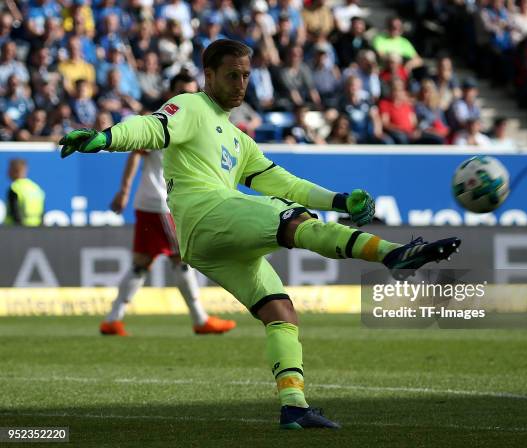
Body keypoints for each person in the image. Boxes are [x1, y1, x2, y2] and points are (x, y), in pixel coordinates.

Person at [59, 39, 460, 429]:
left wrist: (339, 200)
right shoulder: (192, 106)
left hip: (210, 242)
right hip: (207, 213)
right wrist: (105, 138)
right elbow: (151, 128)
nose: (241, 84)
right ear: (209, 75)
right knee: (294, 222)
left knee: (281, 312)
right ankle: (393, 254)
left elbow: (285, 182)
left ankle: (294, 408)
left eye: (246, 76)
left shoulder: (238, 139)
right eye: (232, 75)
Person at [100, 75, 236, 337]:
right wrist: (124, 190)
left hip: (155, 203)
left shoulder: (197, 120)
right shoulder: (160, 121)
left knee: (142, 262)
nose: (188, 96)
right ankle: (200, 319)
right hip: (161, 202)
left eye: (192, 92)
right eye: (182, 91)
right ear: (170, 93)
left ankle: (112, 319)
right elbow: (136, 154)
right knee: (182, 258)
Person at [4, 158, 45, 226]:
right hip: (36, 230)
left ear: (13, 171)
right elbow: (42, 213)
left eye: (9, 169)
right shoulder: (36, 188)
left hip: (17, 232)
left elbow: (15, 213)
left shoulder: (14, 188)